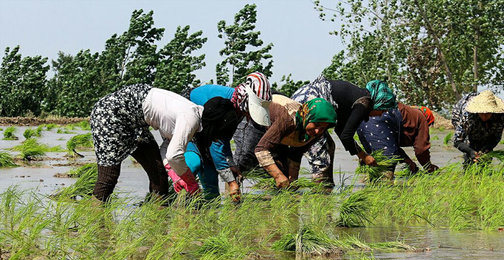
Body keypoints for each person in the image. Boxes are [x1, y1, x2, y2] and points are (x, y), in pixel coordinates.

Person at [90, 84, 239, 202]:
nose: (216, 139)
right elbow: (174, 155)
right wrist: (191, 184)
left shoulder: (193, 118)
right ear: (215, 125)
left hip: (136, 119)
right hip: (110, 114)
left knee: (158, 172)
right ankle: (96, 223)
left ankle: (157, 220)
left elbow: (167, 150)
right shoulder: (190, 118)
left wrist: (175, 175)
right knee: (108, 177)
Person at [290, 76, 397, 186]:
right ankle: (322, 191)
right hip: (313, 101)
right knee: (322, 153)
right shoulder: (365, 103)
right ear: (378, 104)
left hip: (303, 95)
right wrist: (364, 156)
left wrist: (360, 154)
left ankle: (291, 185)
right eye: (383, 110)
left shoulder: (354, 97)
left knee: (305, 145)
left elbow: (341, 130)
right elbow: (346, 136)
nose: (381, 114)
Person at [184, 72, 272, 200]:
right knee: (194, 162)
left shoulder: (238, 109)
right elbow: (217, 144)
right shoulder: (226, 105)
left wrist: (231, 163)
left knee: (211, 182)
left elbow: (224, 139)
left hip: (205, 133)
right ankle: (170, 196)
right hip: (188, 124)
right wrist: (231, 182)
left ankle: (208, 209)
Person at [254, 96, 337, 188]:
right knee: (248, 159)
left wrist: (293, 182)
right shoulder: (287, 120)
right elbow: (261, 150)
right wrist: (278, 176)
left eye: (322, 128)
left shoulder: (316, 133)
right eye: (316, 124)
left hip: (281, 133)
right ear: (308, 117)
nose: (317, 131)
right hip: (259, 115)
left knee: (285, 176)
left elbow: (296, 154)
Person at [356, 104, 439, 179]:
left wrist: (409, 163)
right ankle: (385, 190)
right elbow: (421, 149)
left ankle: (368, 187)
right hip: (379, 119)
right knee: (386, 168)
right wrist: (428, 167)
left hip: (362, 122)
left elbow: (391, 144)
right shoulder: (422, 118)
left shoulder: (407, 114)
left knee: (374, 160)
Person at [451, 90, 504, 165]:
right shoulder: (468, 115)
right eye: (482, 113)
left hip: (487, 124)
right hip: (459, 113)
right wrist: (470, 151)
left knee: (486, 157)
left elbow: (496, 137)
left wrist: (487, 149)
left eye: (487, 113)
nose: (484, 116)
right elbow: (457, 141)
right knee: (470, 150)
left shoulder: (500, 115)